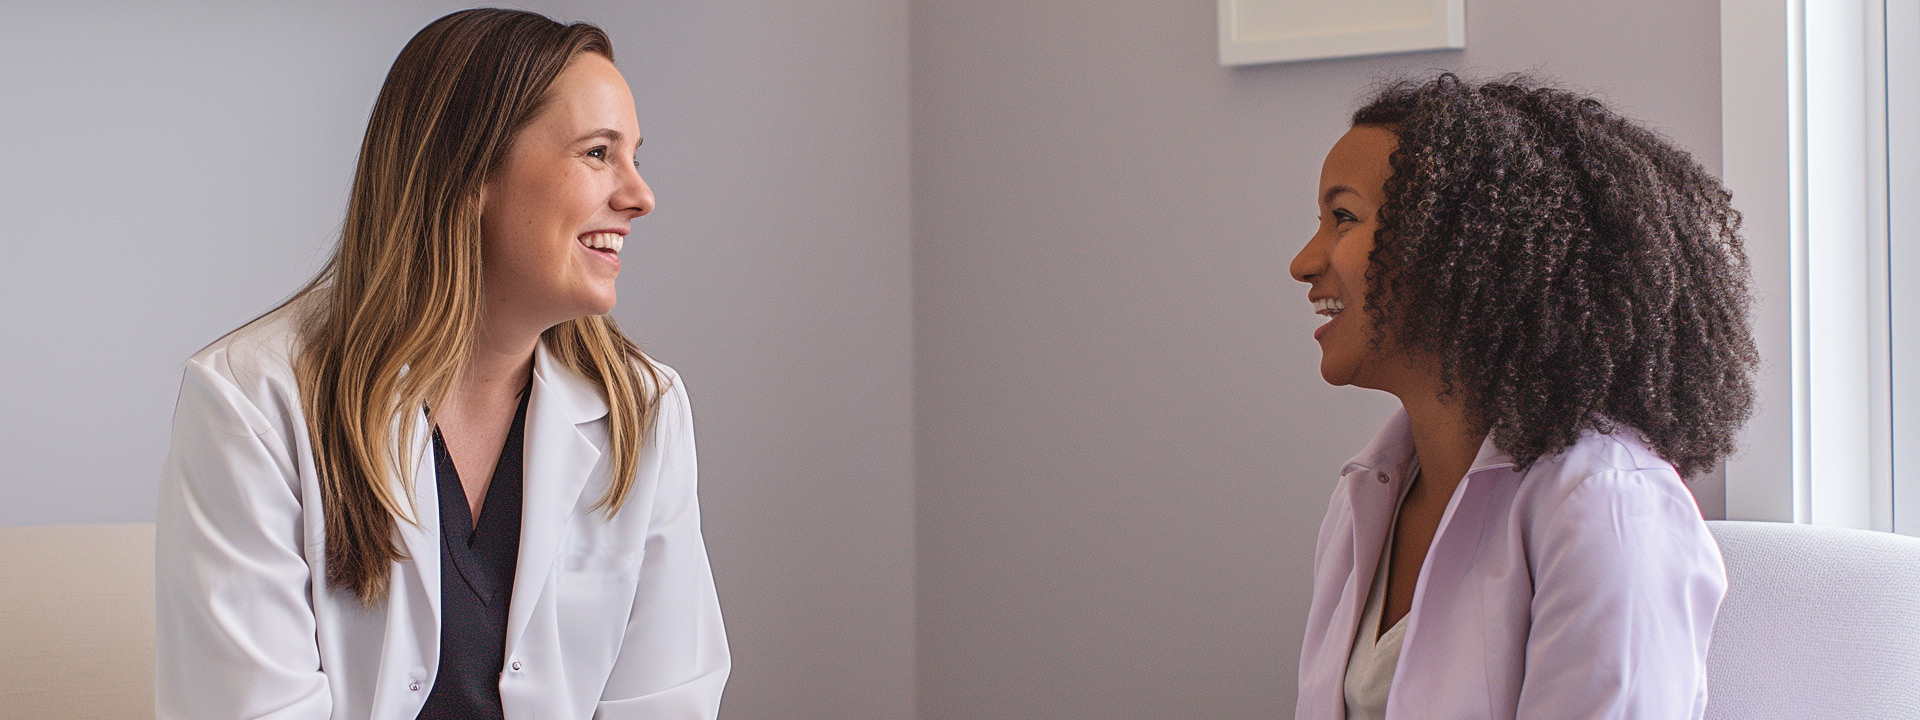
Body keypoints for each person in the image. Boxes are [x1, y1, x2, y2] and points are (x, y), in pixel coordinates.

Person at [154, 9, 727, 719]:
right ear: (469, 171)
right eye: (598, 153)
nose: (639, 196)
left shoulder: (644, 407)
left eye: (636, 157)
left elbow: (665, 698)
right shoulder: (252, 405)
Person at [1289, 74, 1754, 719]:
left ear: (1461, 244)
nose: (1304, 262)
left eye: (1343, 217)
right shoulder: (1368, 495)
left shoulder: (1604, 505)